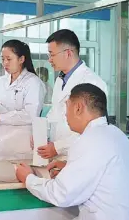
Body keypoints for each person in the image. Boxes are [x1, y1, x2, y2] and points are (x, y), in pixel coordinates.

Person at [16, 84, 129, 220]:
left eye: (67, 106)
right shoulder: (115, 133)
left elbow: (61, 194)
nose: (65, 114)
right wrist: (69, 166)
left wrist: (28, 179)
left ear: (78, 107)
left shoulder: (89, 140)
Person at [36, 29, 107, 161]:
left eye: (52, 55)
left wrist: (58, 147)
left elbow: (91, 128)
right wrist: (41, 134)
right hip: (57, 155)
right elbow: (55, 112)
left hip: (79, 154)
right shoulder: (60, 80)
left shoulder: (92, 82)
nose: (49, 60)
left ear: (68, 53)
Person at [0, 40, 45, 161]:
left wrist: (1, 116)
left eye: (9, 59)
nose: (5, 63)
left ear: (21, 59)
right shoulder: (1, 81)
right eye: (2, 59)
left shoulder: (33, 82)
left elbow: (30, 115)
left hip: (18, 148)